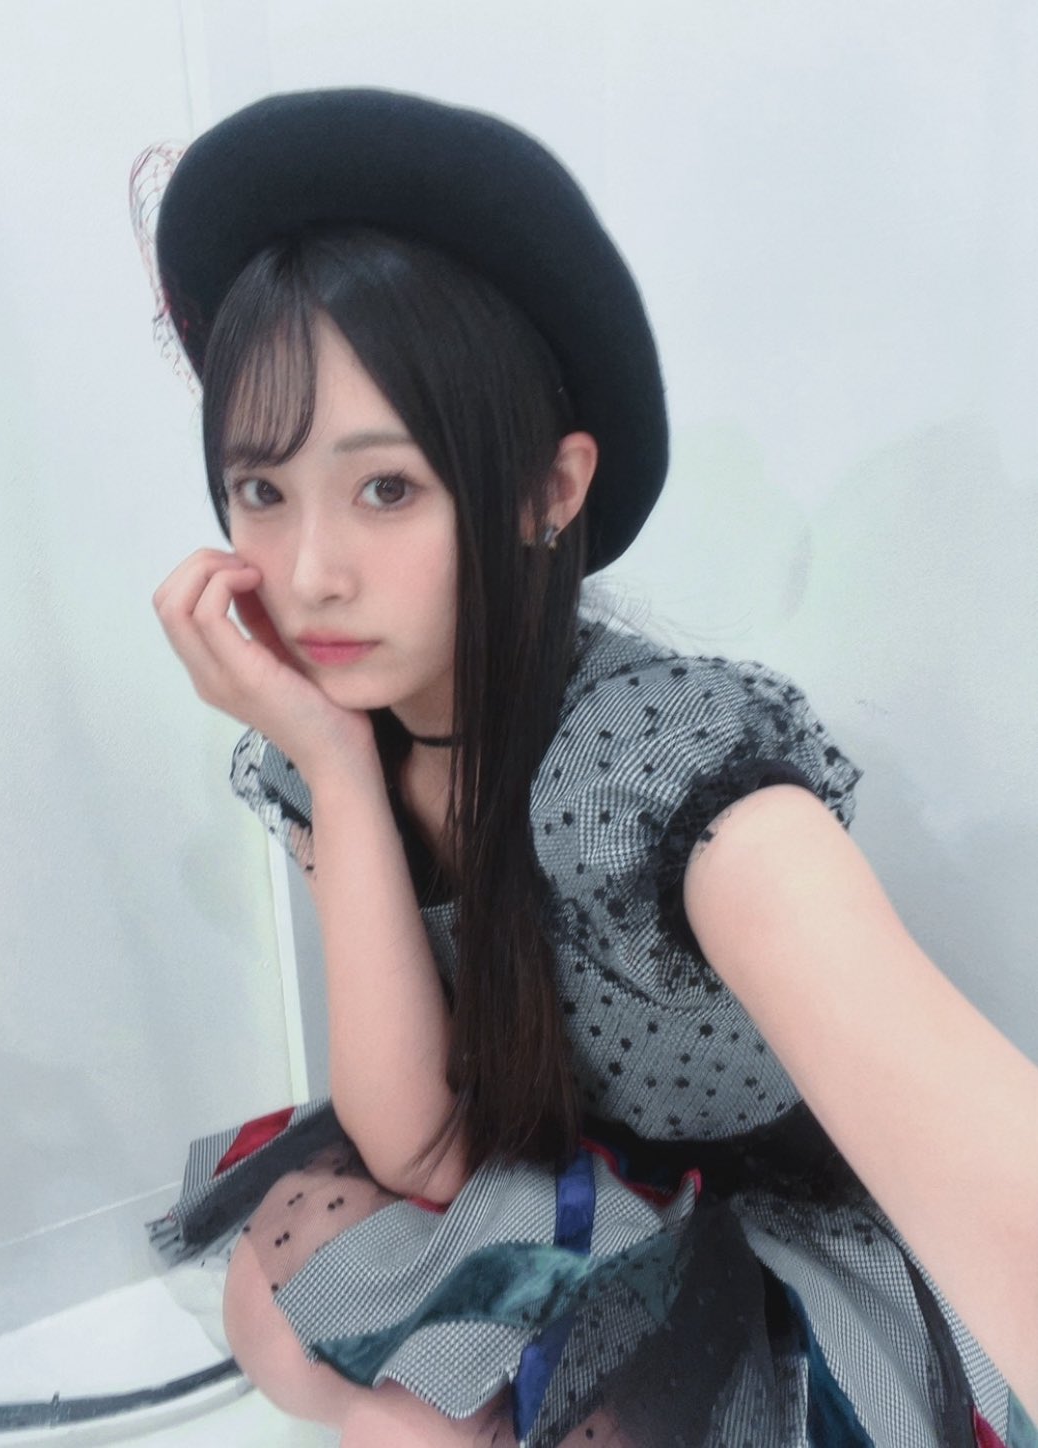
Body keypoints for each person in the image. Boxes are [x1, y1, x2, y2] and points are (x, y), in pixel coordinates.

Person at [140, 89, 1037, 1447]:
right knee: (276, 1308)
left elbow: (985, 1162)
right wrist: (331, 759)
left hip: (755, 1233)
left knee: (475, 1416)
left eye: (385, 489)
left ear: (546, 491)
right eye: (263, 491)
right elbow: (416, 1147)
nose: (309, 572)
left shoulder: (652, 771)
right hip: (551, 1177)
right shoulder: (336, 745)